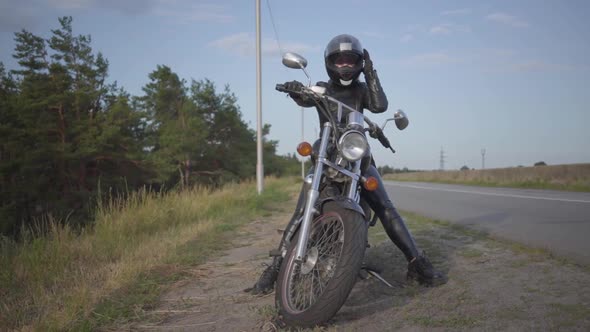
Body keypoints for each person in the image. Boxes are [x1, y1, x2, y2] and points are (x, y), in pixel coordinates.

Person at [246, 34, 447, 295]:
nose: (344, 65)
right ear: (330, 62)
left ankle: (418, 264)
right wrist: (296, 89)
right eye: (339, 60)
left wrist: (371, 73)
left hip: (357, 156)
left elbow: (379, 105)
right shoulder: (322, 88)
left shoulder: (362, 90)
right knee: (302, 209)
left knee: (386, 209)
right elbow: (305, 98)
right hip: (327, 155)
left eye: (351, 60)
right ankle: (274, 270)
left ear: (360, 63)